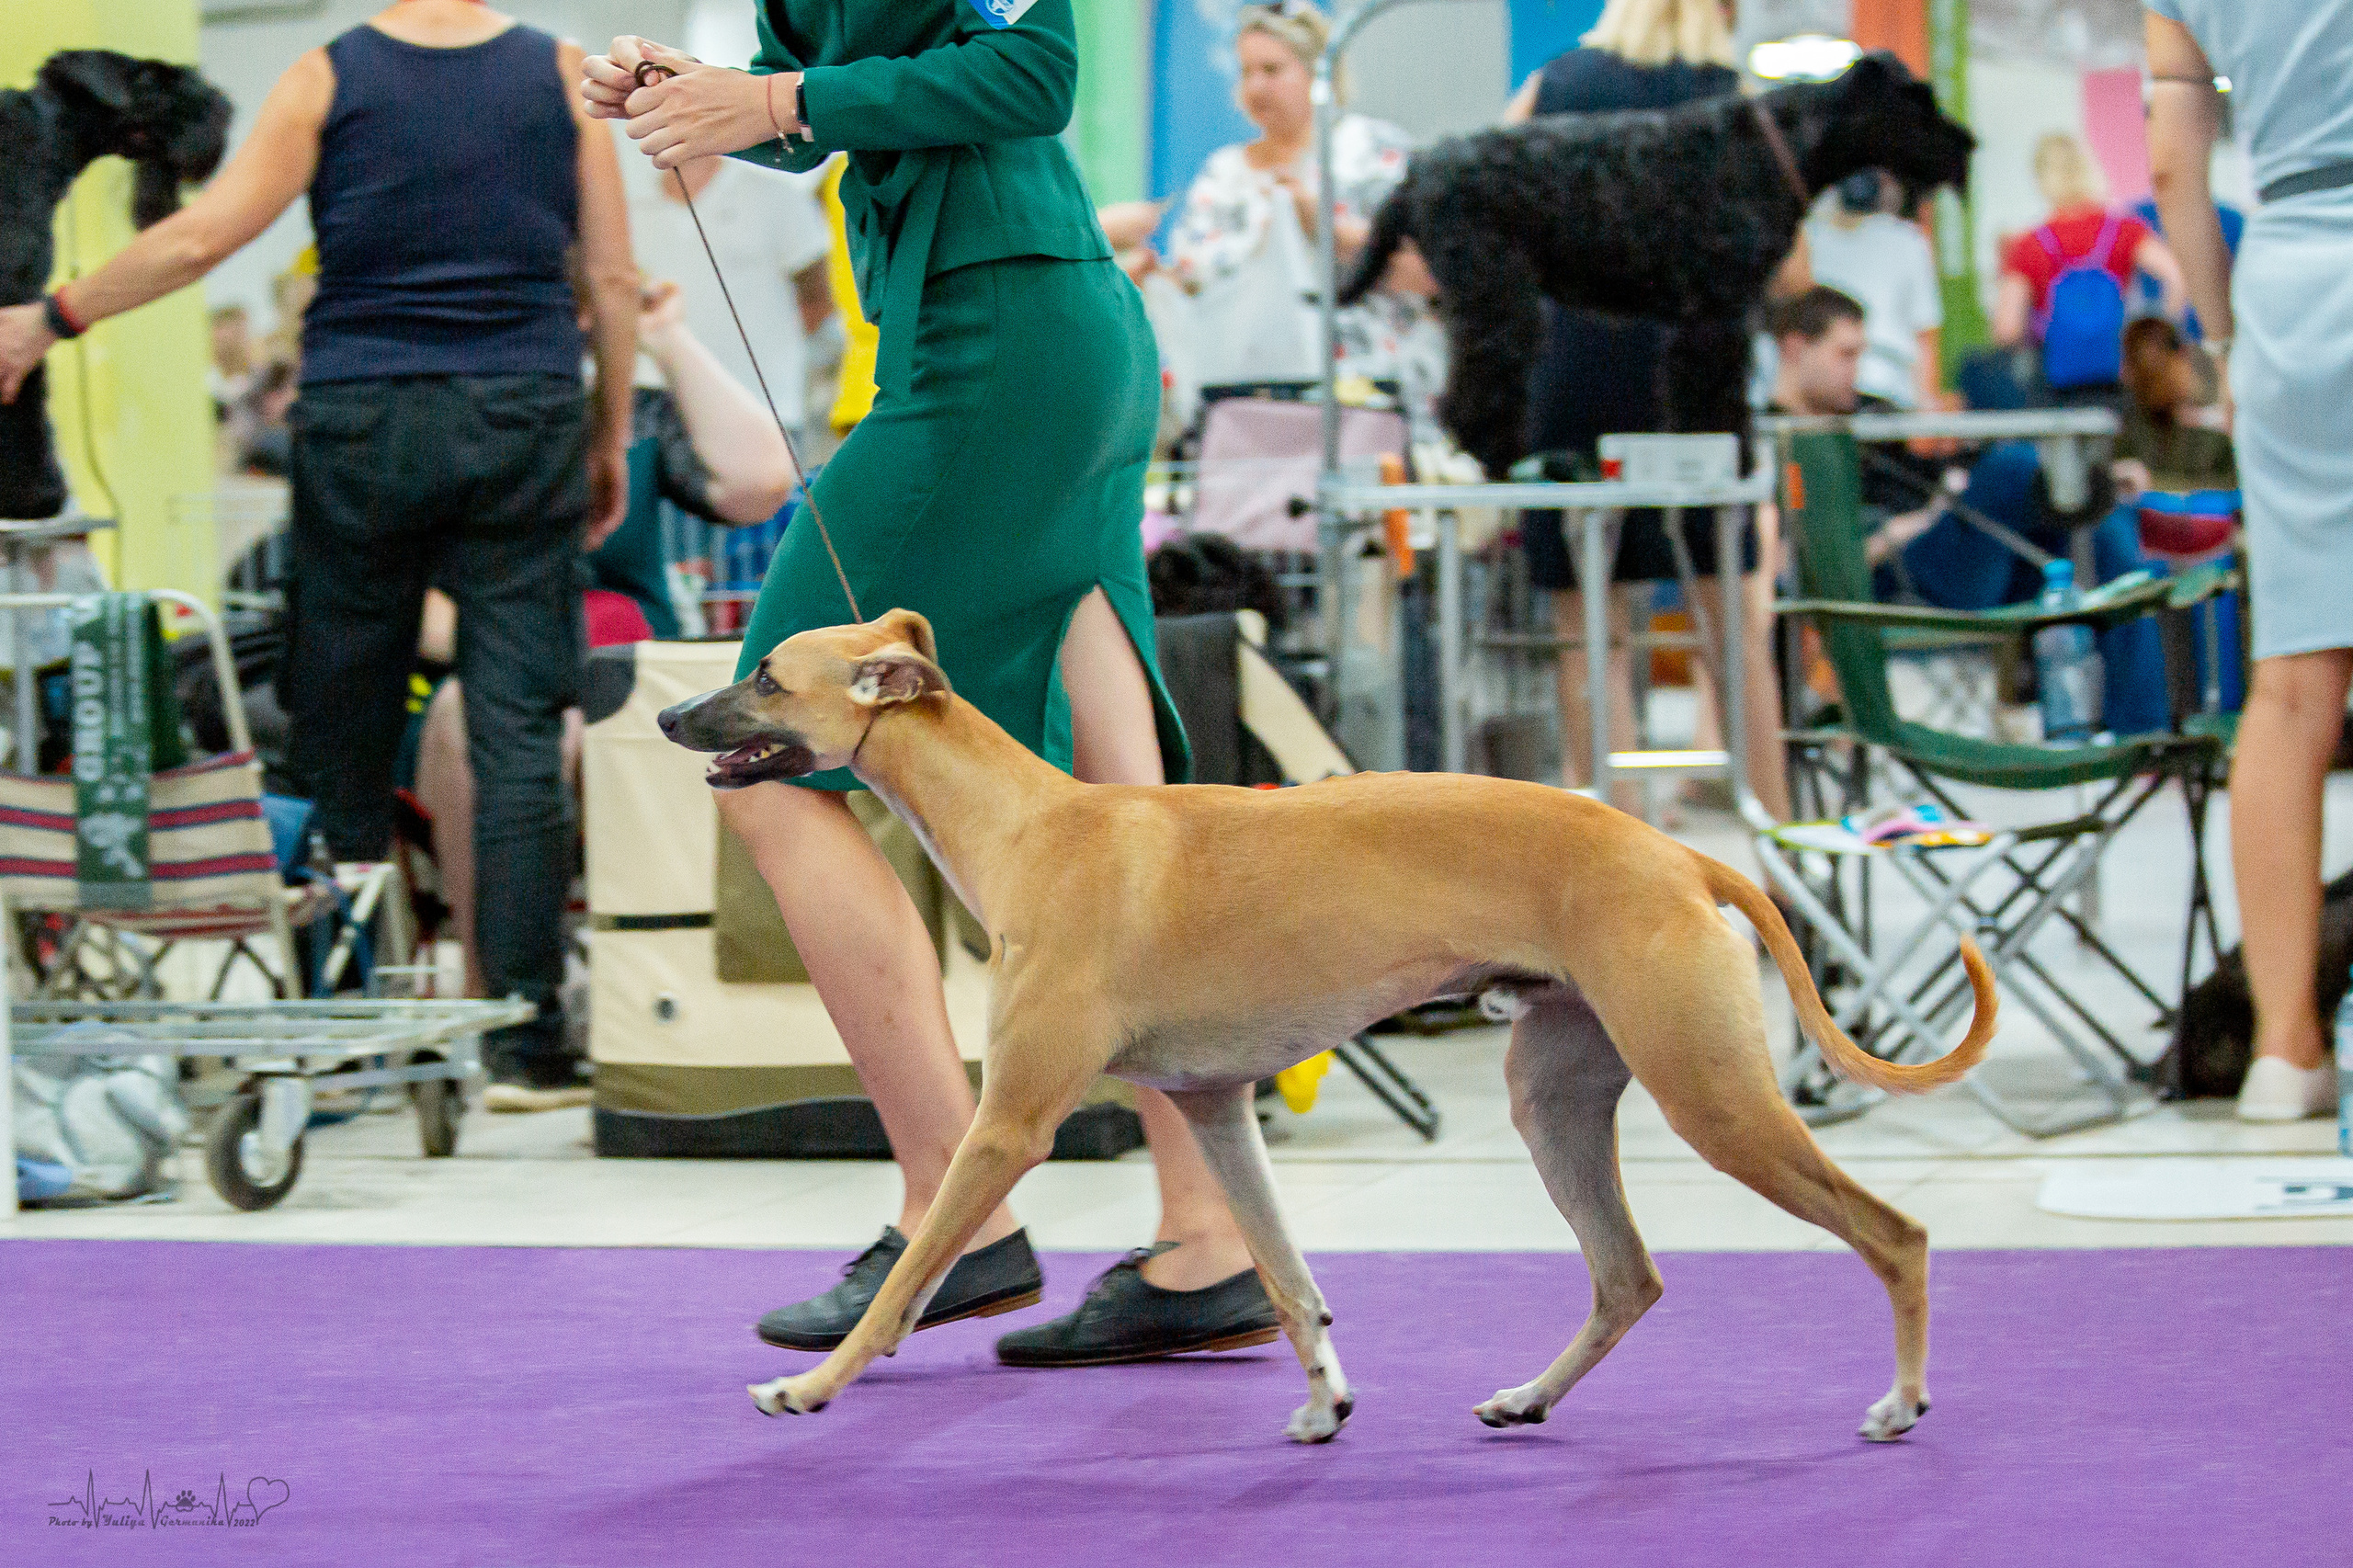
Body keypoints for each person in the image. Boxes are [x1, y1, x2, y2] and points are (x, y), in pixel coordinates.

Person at [581, 2, 1272, 1367]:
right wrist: (714, 88)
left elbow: (1032, 74)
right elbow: (855, 87)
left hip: (998, 351)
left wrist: (769, 104)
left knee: (764, 759)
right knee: (1121, 818)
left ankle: (950, 1210)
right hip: (1032, 335)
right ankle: (1210, 1239)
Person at [0, 0, 636, 1098]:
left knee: (340, 712)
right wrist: (612, 429)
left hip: (361, 416)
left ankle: (344, 1020)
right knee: (519, 726)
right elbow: (615, 279)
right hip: (524, 408)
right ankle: (528, 1040)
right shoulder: (562, 75)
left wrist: (52, 315)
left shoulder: (327, 75)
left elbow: (204, 237)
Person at [415, 278, 794, 1097]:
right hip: (496, 664)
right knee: (470, 721)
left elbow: (761, 480)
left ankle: (565, 1002)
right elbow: (422, 604)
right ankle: (505, 1007)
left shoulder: (639, 417)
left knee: (579, 728)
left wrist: (665, 339)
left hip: (625, 671)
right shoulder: (458, 416)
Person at [1500, 0, 1790, 823]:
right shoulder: (1730, 98)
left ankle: (1613, 901)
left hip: (1574, 375)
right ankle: (1788, 879)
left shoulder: (1552, 86)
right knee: (1733, 639)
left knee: (1592, 641)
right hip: (1690, 377)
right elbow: (1791, 264)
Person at [2147, 0, 2353, 1120]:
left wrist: (2224, 341)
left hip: (2295, 287)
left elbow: (2175, 172)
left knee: (2288, 688)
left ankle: (2284, 1050)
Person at [1767, 286, 2177, 734]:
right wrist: (1901, 531)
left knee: (2103, 539)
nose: (1856, 371)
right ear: (1795, 348)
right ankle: (2071, 486)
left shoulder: (1871, 415)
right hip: (1890, 586)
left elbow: (1945, 470)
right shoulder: (1769, 441)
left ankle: (2142, 737)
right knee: (2008, 470)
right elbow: (1786, 571)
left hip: (1962, 553)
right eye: (1845, 355)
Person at [1164, 3, 1441, 406]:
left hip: (1374, 394)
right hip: (1247, 397)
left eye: (1272, 70)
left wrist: (1331, 233)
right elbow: (1192, 284)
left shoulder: (1374, 153)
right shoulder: (1222, 173)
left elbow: (1431, 274)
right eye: (1246, 72)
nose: (1255, 87)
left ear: (1316, 72)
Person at [623, 148, 833, 444]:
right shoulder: (628, 204)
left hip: (764, 410)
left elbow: (818, 301)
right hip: (652, 407)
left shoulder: (777, 194)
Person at [1991, 132, 2187, 389]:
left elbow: (2008, 329)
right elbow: (2178, 277)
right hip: (2118, 374)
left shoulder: (2028, 245)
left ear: (2040, 179)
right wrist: (2159, 338)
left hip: (2054, 381)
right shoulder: (2124, 229)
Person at [1802, 170, 1945, 411]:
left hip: (1890, 390)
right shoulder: (1807, 237)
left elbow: (1926, 335)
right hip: (1820, 393)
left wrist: (1926, 406)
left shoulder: (1907, 240)